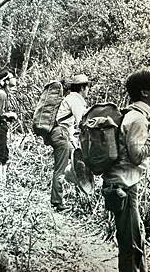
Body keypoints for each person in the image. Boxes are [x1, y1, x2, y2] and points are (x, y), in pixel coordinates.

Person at [102, 69, 150, 272]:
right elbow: (137, 155)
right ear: (145, 92)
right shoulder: (138, 119)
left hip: (120, 182)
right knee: (130, 241)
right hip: (124, 185)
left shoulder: (130, 113)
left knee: (133, 236)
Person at [48, 73, 90, 211]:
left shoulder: (70, 98)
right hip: (61, 135)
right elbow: (82, 122)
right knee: (60, 169)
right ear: (82, 88)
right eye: (87, 87)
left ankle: (79, 196)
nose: (87, 90)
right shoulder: (75, 100)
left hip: (62, 134)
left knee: (77, 163)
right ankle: (57, 203)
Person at [0, 69, 18, 181]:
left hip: (1, 126)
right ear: (6, 81)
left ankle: (3, 180)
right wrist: (10, 114)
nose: (13, 79)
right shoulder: (1, 94)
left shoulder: (4, 93)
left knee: (4, 152)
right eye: (11, 77)